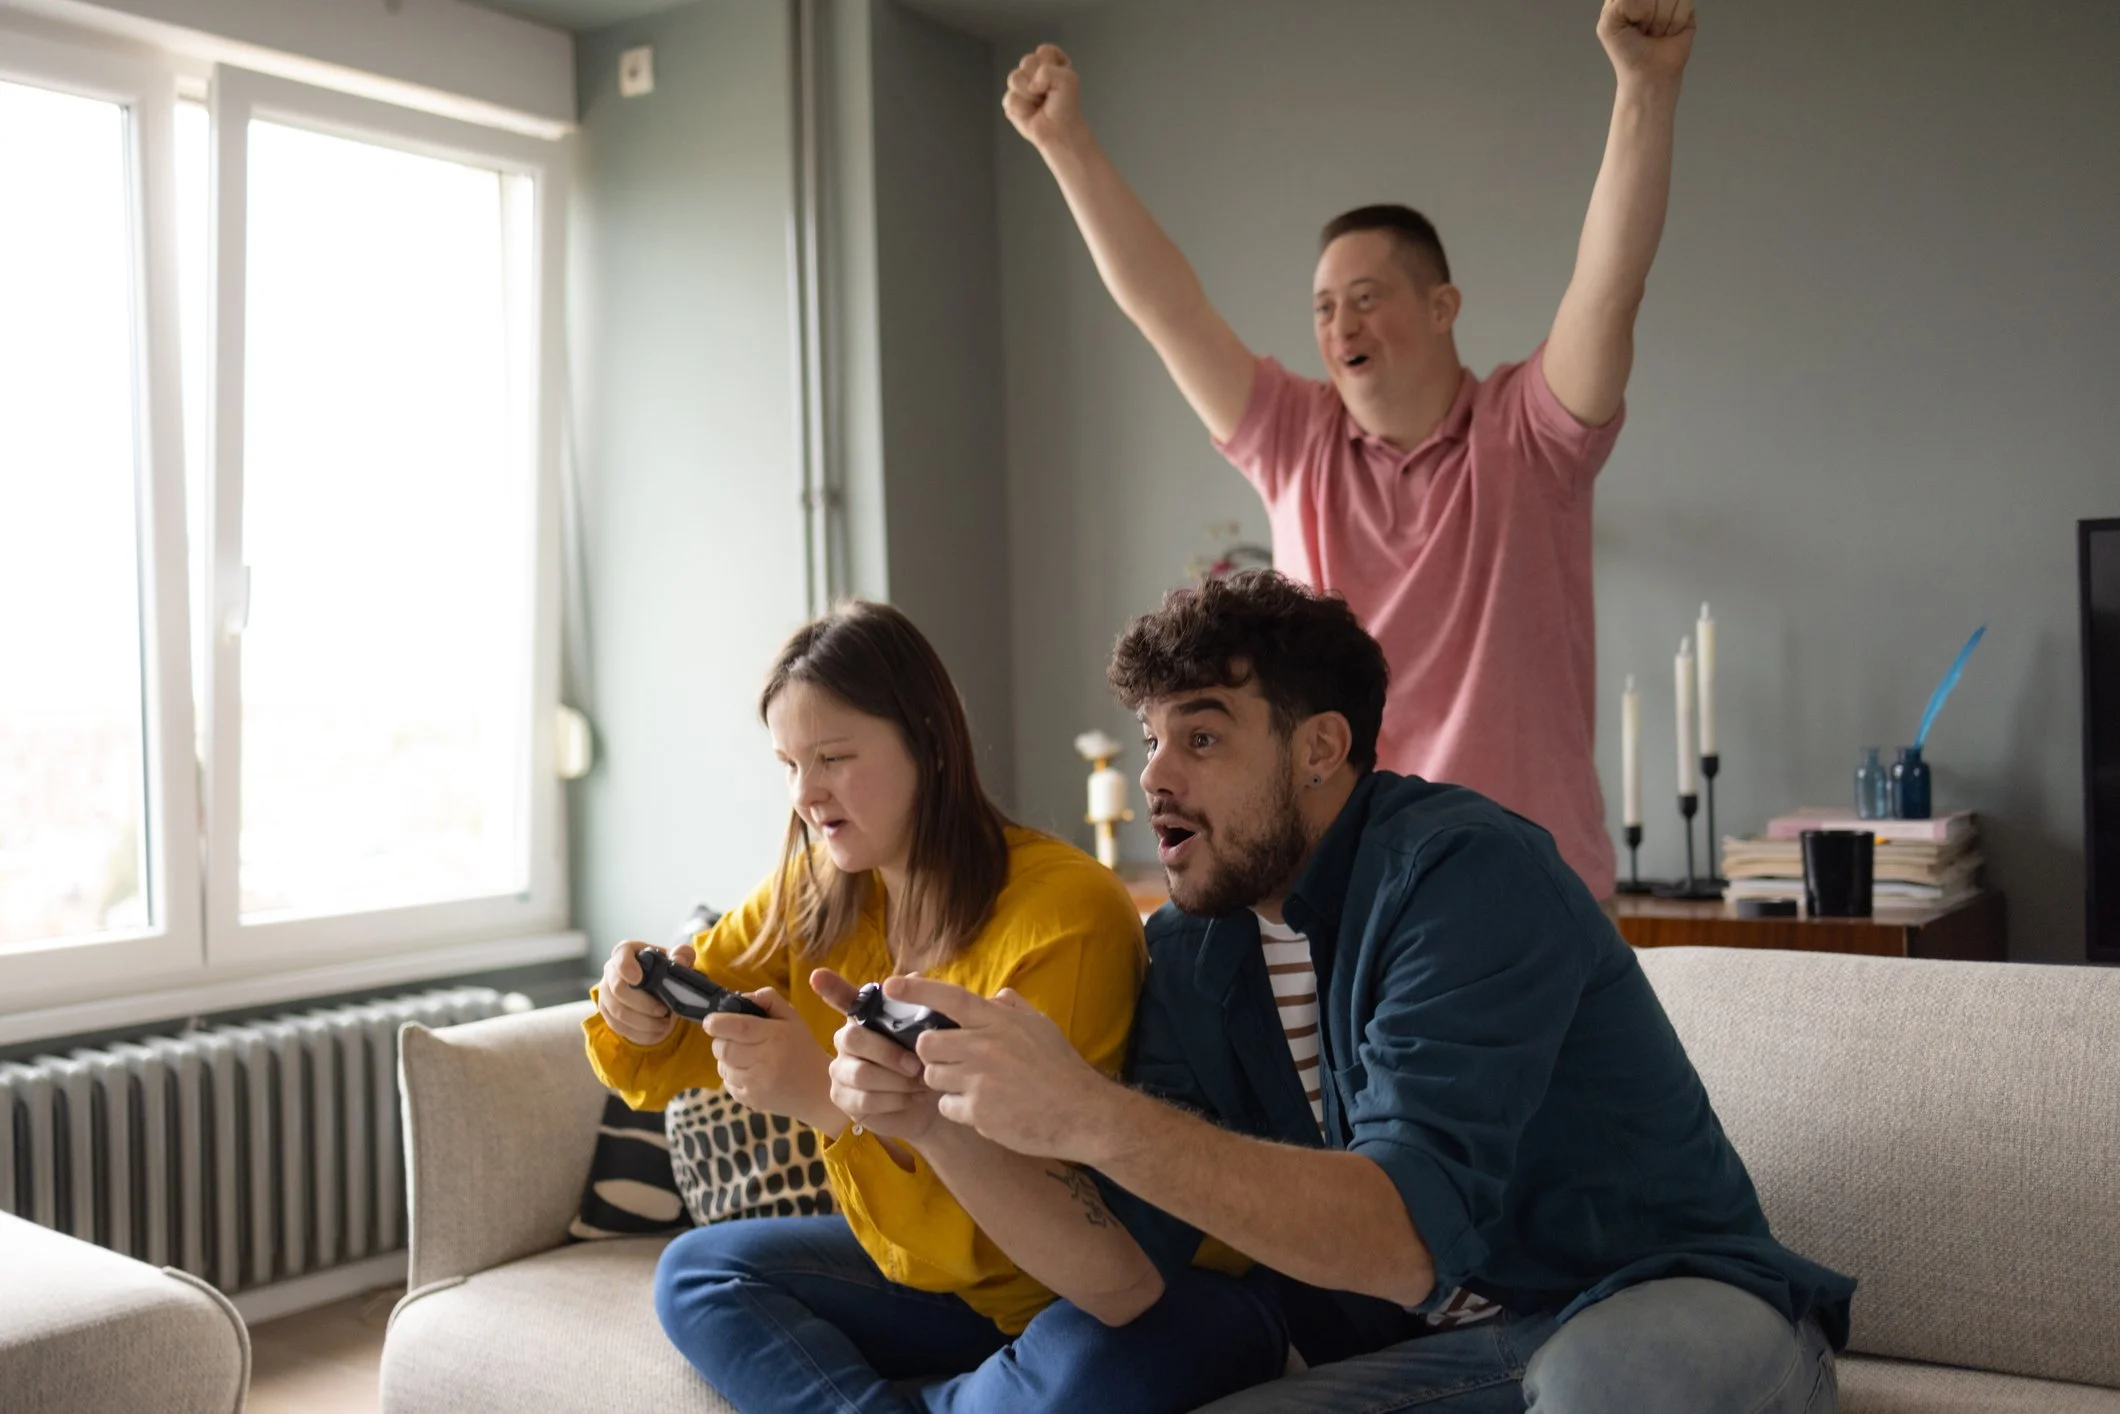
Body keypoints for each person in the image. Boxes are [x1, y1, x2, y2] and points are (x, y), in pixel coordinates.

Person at [887, 571, 1856, 1412]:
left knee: (1601, 1391)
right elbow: (1121, 1275)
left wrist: (1091, 1114)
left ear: (1318, 749)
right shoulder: (1191, 953)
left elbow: (1400, 1238)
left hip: (1651, 1303)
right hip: (1446, 1356)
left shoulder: (1464, 876)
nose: (1154, 775)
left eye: (1202, 738)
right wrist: (932, 1121)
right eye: (1150, 738)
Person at [1004, 0, 1703, 898]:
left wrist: (1645, 87)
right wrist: (1067, 144)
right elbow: (1166, 307)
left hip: (1532, 882)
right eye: (1325, 308)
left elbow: (1609, 288)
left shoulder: (1531, 434)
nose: (1341, 325)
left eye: (1367, 297)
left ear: (1443, 306)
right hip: (1355, 885)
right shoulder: (1296, 442)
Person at [584, 600, 1286, 1413]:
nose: (808, 795)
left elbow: (1047, 1215)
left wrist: (828, 1101)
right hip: (946, 1286)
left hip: (1091, 1277)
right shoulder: (818, 892)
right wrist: (631, 1003)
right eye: (788, 764)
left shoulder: (1064, 914)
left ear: (927, 737)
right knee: (700, 1272)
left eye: (835, 757)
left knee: (1104, 1370)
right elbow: (654, 1055)